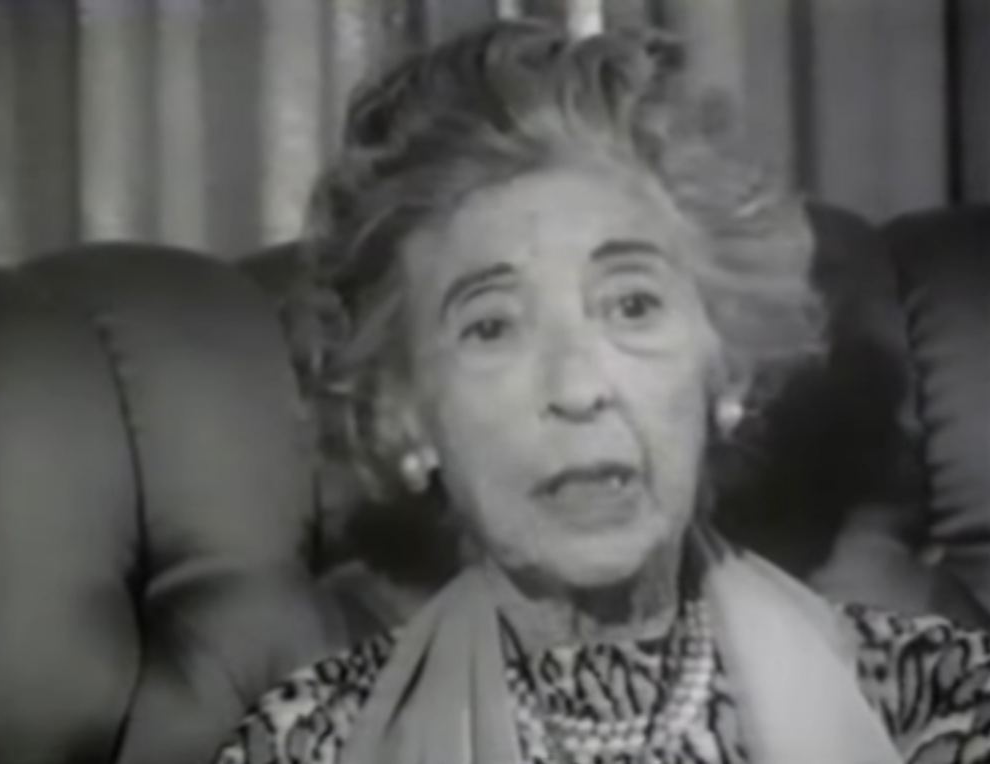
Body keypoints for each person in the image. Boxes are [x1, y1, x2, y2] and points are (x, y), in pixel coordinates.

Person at [214, 19, 990, 764]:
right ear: (403, 416)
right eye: (492, 327)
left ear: (725, 370)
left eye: (632, 306)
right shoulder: (311, 744)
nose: (578, 388)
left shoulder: (936, 706)